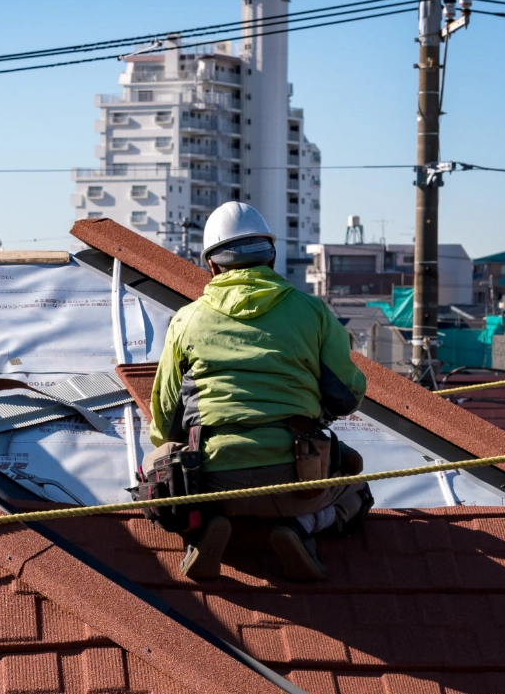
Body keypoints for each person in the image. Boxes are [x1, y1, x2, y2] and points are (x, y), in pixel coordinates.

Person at [147, 202, 371, 582]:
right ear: (271, 256)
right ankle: (302, 527)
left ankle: (202, 529)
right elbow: (346, 395)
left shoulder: (186, 320)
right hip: (297, 478)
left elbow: (165, 419)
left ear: (212, 266)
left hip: (214, 483)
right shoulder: (312, 312)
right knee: (357, 489)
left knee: (158, 471)